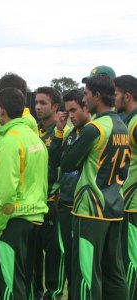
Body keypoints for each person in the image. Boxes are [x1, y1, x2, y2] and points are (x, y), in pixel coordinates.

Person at [61, 74, 130, 299]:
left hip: (91, 209)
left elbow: (67, 162)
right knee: (114, 272)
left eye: (86, 94)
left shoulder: (95, 128)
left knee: (87, 273)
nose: (84, 98)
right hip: (115, 207)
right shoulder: (122, 125)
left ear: (97, 96)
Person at [0, 87, 48, 299]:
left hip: (12, 220)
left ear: (0, 110)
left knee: (10, 284)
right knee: (24, 281)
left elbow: (5, 190)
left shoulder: (8, 141)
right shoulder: (34, 138)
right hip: (34, 218)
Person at [50, 89, 91, 299]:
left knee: (83, 263)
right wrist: (59, 130)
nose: (71, 115)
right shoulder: (69, 133)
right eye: (67, 111)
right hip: (65, 205)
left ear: (87, 106)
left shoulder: (93, 133)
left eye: (74, 110)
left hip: (85, 207)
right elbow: (54, 161)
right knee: (68, 259)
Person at [34, 86, 67, 299]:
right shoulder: (32, 131)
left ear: (55, 106)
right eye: (36, 102)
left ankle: (53, 294)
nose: (37, 107)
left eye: (43, 103)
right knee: (33, 255)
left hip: (53, 203)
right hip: (31, 204)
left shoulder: (65, 131)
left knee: (54, 254)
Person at [114, 75, 137, 300]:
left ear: (127, 96)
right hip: (129, 203)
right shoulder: (128, 121)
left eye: (116, 94)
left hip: (133, 205)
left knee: (131, 261)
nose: (113, 99)